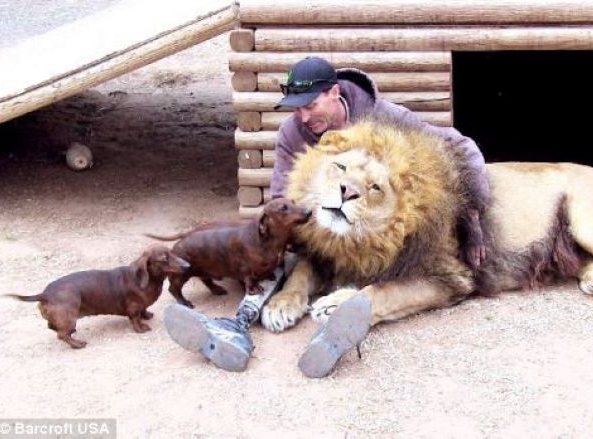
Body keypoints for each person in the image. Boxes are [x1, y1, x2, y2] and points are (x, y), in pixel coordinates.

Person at [164, 56, 490, 374]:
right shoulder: (294, 133)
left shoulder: (387, 117)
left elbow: (461, 148)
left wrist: (473, 215)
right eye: (298, 108)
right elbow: (281, 196)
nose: (303, 118)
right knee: (271, 257)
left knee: (398, 259)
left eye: (311, 106)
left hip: (372, 220)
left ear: (334, 93)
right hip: (317, 222)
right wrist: (274, 241)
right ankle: (234, 326)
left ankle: (338, 328)